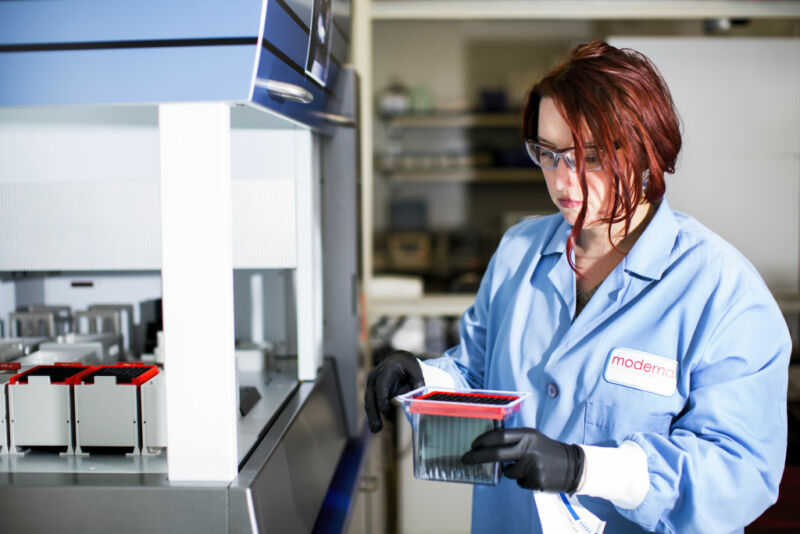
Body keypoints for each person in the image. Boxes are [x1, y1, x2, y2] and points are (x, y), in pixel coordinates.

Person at [364, 41, 790, 533]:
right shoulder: (519, 251)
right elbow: (479, 374)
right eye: (547, 153)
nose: (563, 181)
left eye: (589, 156)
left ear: (647, 148)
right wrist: (425, 381)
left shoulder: (723, 292)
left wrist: (583, 468)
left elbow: (740, 473)